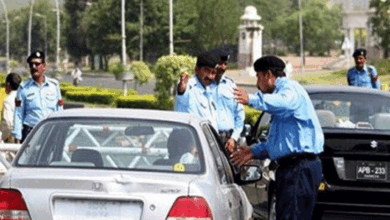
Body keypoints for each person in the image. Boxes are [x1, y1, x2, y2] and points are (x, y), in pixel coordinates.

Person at [231, 55, 324, 220]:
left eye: (258, 77)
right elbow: (280, 143)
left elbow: (284, 102)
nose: (257, 84)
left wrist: (251, 99)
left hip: (299, 167)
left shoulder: (289, 90)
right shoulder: (282, 96)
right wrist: (254, 152)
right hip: (292, 168)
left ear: (268, 75)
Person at [12, 51, 64, 144]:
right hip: (30, 132)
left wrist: (60, 132)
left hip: (50, 132)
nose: (34, 67)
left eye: (37, 64)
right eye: (31, 64)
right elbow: (18, 115)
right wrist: (17, 138)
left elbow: (59, 110)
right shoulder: (24, 88)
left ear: (43, 66)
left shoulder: (54, 86)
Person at [210, 49, 245, 153]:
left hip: (229, 141)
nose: (223, 68)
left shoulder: (230, 85)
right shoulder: (202, 86)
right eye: (220, 64)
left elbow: (239, 113)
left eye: (225, 64)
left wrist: (234, 138)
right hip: (209, 139)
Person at [174, 51, 220, 129]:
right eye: (207, 71)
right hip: (187, 137)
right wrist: (181, 87)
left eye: (213, 73)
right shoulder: (190, 86)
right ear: (197, 69)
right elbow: (182, 92)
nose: (210, 76)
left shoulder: (209, 90)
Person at [1, 73, 22, 142]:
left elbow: (7, 124)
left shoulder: (8, 100)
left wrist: (3, 137)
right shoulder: (24, 97)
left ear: (8, 84)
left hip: (13, 140)